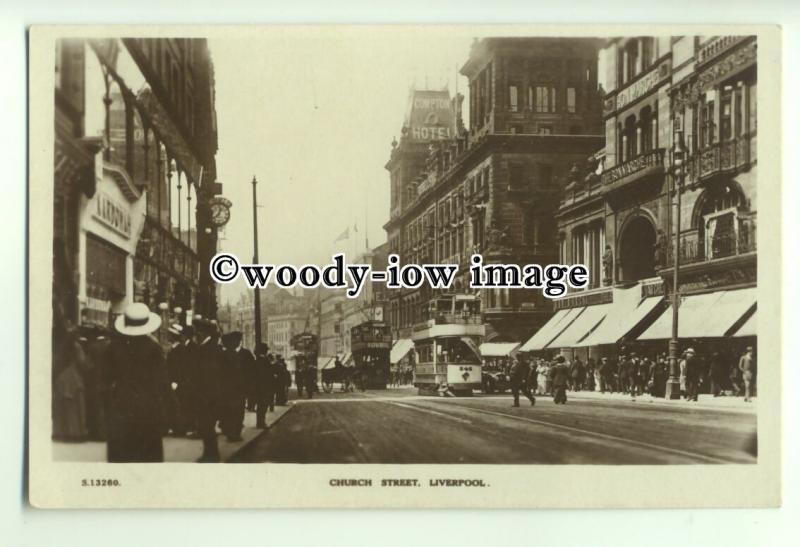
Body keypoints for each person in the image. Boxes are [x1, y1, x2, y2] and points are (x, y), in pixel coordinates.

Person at [104, 303, 170, 462]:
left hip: (121, 411)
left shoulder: (113, 348)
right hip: (148, 413)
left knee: (122, 461)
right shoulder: (154, 349)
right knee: (147, 460)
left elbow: (104, 381)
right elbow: (162, 384)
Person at [193, 318, 223, 462]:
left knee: (207, 425)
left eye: (197, 332)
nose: (195, 335)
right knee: (206, 426)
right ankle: (210, 453)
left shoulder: (209, 349)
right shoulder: (209, 347)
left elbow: (209, 374)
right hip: (207, 394)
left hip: (208, 394)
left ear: (202, 332)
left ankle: (211, 455)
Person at [53, 324, 89, 442]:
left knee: (64, 406)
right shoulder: (76, 346)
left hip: (62, 378)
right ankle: (76, 433)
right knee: (76, 407)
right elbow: (82, 362)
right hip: (74, 378)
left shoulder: (61, 346)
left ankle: (63, 432)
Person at [219, 331, 249, 441]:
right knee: (231, 411)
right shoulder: (225, 355)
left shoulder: (245, 354)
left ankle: (234, 432)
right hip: (229, 389)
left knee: (237, 411)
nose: (237, 342)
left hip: (238, 389)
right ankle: (232, 432)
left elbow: (250, 371)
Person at [253, 343, 276, 428]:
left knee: (261, 405)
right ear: (263, 350)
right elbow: (267, 374)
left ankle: (260, 422)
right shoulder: (263, 361)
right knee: (263, 405)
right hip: (264, 387)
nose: (267, 351)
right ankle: (261, 423)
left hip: (260, 387)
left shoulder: (258, 360)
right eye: (266, 349)